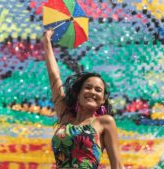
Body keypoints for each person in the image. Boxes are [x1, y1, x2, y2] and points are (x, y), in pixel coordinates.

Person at [43, 28, 124, 169]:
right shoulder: (66, 117)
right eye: (88, 87)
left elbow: (117, 165)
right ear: (78, 93)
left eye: (98, 90)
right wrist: (47, 43)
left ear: (103, 99)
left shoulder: (105, 123)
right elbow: (54, 77)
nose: (92, 92)